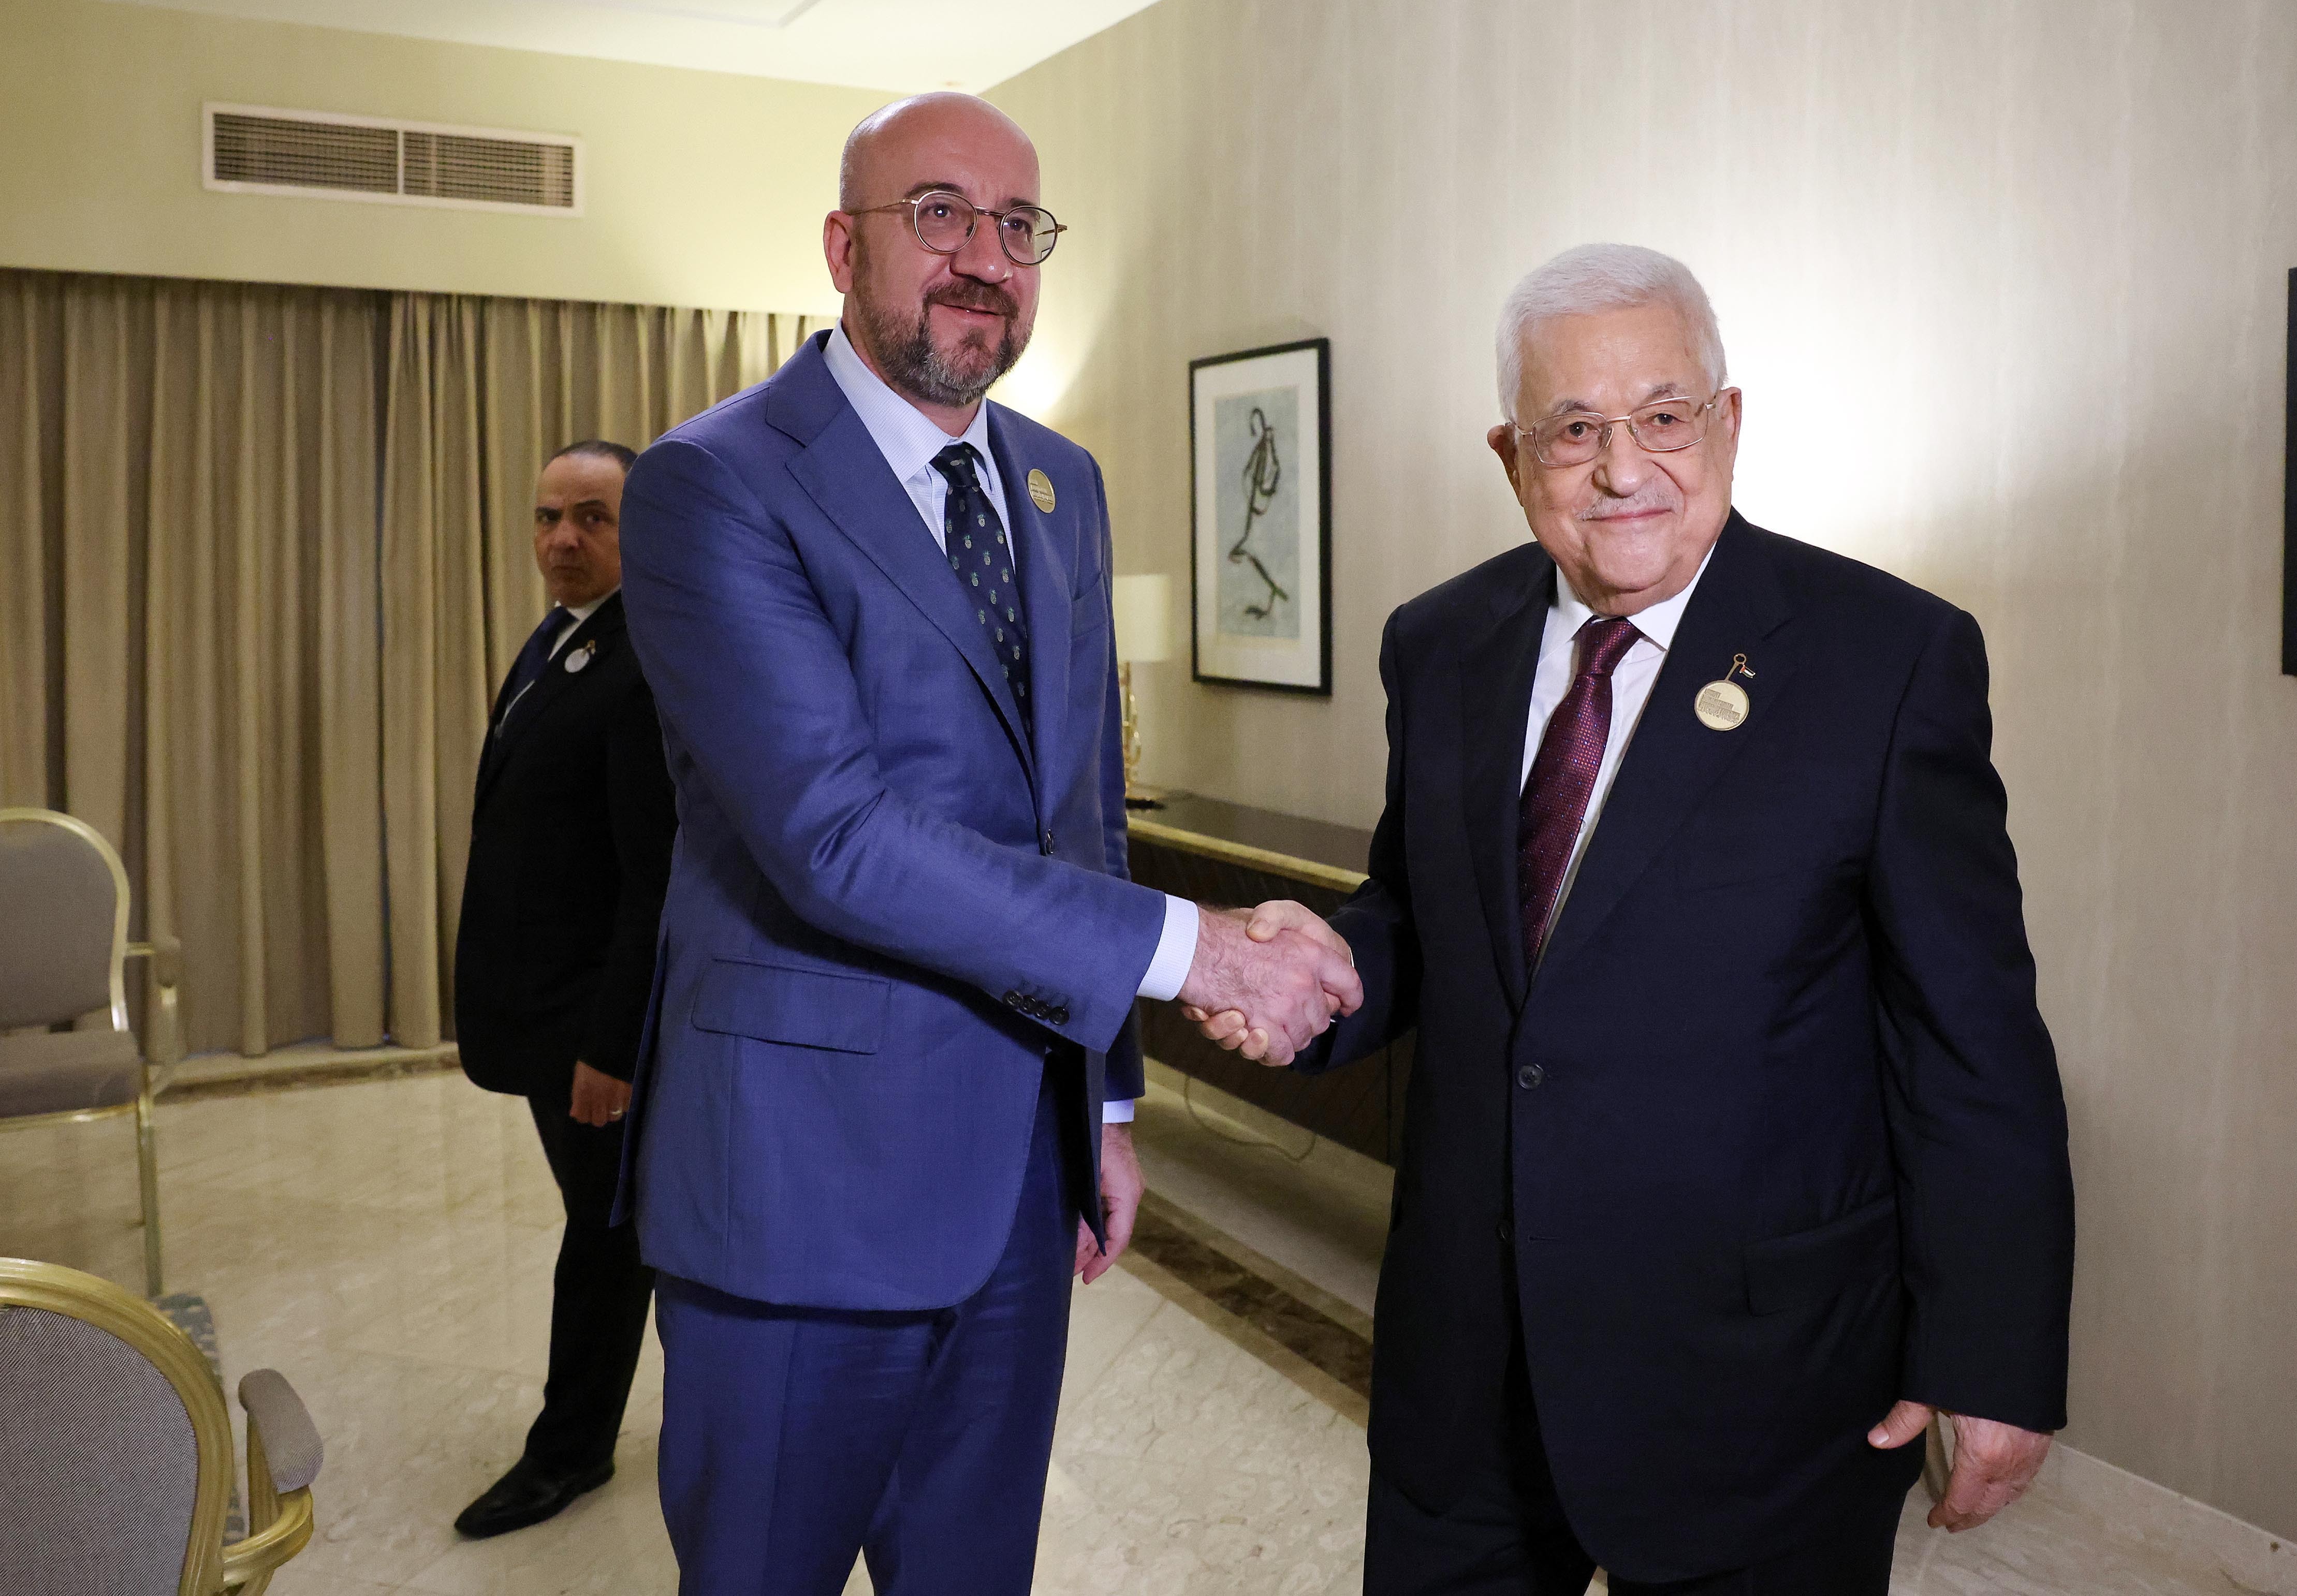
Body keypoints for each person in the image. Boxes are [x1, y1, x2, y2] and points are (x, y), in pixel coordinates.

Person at [1192, 244, 2076, 1594]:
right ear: (1510, 454)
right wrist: (1318, 974)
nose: (1623, 469)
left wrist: (1991, 1350)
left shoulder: (1884, 659)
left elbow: (1971, 1036)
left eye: (1663, 416)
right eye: (1572, 430)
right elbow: (1419, 914)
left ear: (1727, 422)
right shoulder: (1437, 643)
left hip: (1758, 1380)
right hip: (1469, 1362)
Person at [613, 92, 1356, 1595]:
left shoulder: (1055, 479)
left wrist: (1112, 1105)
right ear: (843, 245)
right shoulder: (716, 483)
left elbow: (1075, 802)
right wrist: (1196, 951)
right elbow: (833, 834)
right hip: (798, 1200)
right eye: (937, 214)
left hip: (1018, 1182)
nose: (983, 258)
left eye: (1018, 228)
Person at [450, 439, 675, 1538]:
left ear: (643, 532)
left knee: (610, 1236)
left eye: (592, 517)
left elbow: (652, 880)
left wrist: (613, 1047)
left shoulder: (644, 664)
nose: (562, 539)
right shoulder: (564, 639)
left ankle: (570, 1451)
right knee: (618, 1231)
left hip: (597, 1029)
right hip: (545, 1010)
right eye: (547, 517)